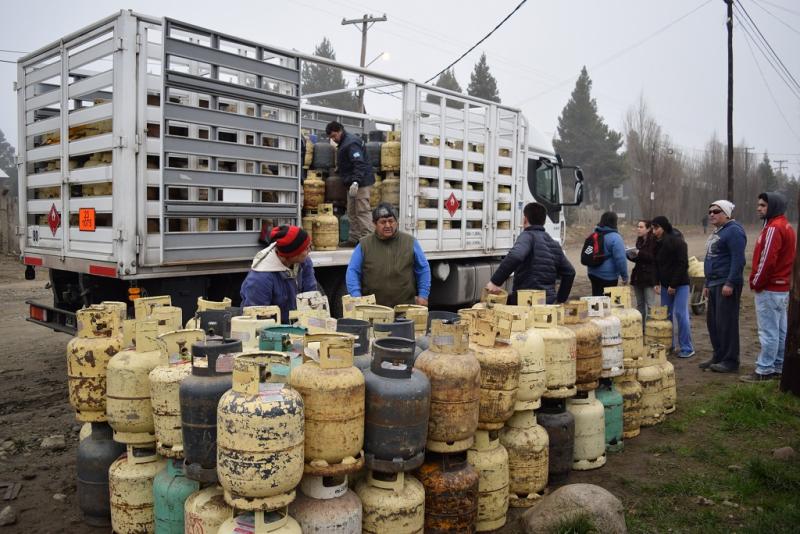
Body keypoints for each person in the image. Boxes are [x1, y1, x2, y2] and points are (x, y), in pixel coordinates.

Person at [740, 192, 796, 382]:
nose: (759, 208)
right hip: (781, 289)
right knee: (780, 330)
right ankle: (778, 367)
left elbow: (767, 260)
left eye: (763, 205)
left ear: (773, 206)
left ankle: (764, 370)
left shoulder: (774, 227)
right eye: (759, 205)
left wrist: (756, 281)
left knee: (768, 331)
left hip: (770, 289)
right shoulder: (787, 226)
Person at [485, 202, 575, 304]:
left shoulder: (527, 236)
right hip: (548, 306)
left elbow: (515, 256)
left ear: (525, 220)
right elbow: (570, 272)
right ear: (544, 221)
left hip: (526, 304)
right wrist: (560, 300)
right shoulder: (553, 243)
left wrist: (495, 282)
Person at [345, 203, 431, 308]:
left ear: (397, 222)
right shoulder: (364, 244)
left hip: (405, 308)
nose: (388, 225)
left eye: (391, 221)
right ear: (374, 224)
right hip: (374, 309)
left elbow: (423, 269)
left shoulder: (410, 242)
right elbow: (353, 271)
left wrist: (423, 295)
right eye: (383, 222)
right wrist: (356, 296)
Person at [700, 200, 747, 373]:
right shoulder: (718, 231)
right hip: (713, 282)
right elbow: (711, 259)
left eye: (716, 211)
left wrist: (730, 282)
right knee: (713, 323)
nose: (712, 214)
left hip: (725, 283)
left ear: (726, 214)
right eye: (710, 211)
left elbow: (738, 259)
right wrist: (706, 283)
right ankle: (718, 355)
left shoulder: (734, 231)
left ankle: (730, 360)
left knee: (726, 323)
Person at [240, 225, 316, 324]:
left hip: (296, 324)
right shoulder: (260, 279)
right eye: (306, 248)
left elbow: (311, 295)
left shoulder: (304, 262)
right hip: (270, 330)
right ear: (291, 255)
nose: (309, 250)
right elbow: (257, 319)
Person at [325, 121, 375, 247]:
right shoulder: (343, 143)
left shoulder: (351, 142)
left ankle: (368, 240)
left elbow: (359, 163)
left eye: (334, 136)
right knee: (352, 212)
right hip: (351, 183)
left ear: (340, 131)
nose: (333, 140)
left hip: (360, 183)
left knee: (362, 211)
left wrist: (356, 181)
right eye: (331, 138)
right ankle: (354, 239)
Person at [651, 216, 694, 358]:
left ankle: (687, 347)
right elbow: (656, 264)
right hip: (664, 285)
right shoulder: (656, 243)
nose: (653, 231)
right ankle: (669, 345)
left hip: (680, 284)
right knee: (666, 315)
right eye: (652, 228)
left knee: (681, 314)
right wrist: (656, 282)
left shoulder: (678, 242)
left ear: (663, 227)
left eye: (656, 228)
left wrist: (673, 284)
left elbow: (682, 264)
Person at [587, 211, 628, 296]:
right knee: (607, 303)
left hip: (592, 273)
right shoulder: (616, 238)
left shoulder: (594, 234)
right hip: (609, 277)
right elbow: (620, 259)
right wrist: (624, 276)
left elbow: (588, 251)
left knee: (596, 301)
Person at [628, 219, 658, 328]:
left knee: (650, 305)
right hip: (638, 276)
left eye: (641, 227)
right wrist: (630, 255)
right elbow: (639, 259)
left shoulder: (654, 241)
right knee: (639, 305)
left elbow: (652, 258)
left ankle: (651, 329)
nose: (638, 229)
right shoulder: (639, 241)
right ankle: (640, 329)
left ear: (648, 228)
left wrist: (639, 253)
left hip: (649, 277)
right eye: (638, 226)